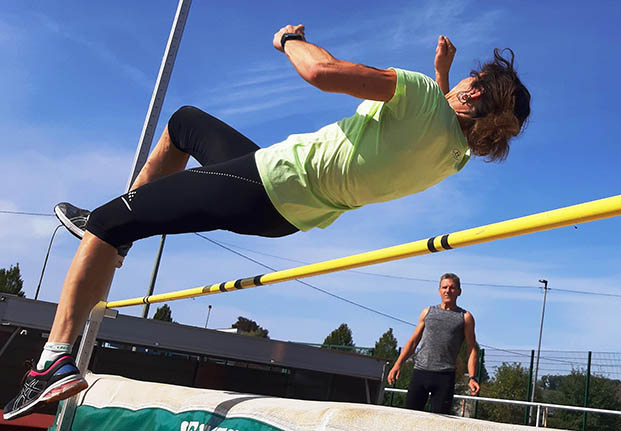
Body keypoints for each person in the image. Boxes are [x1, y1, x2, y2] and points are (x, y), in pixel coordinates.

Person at [3, 24, 529, 420]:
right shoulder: (453, 156)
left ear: (476, 91)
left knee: (106, 223)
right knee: (185, 124)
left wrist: (290, 40)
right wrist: (443, 73)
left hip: (266, 184)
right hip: (284, 209)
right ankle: (124, 226)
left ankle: (54, 357)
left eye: (468, 80)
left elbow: (320, 72)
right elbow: (441, 114)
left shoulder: (417, 96)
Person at [387, 273, 480, 414]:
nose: (448, 291)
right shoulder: (427, 312)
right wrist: (398, 364)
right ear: (439, 291)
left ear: (459, 292)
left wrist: (472, 377)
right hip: (420, 372)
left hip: (444, 376)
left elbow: (471, 348)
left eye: (452, 288)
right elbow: (413, 342)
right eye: (444, 287)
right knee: (410, 418)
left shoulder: (465, 317)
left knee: (440, 421)